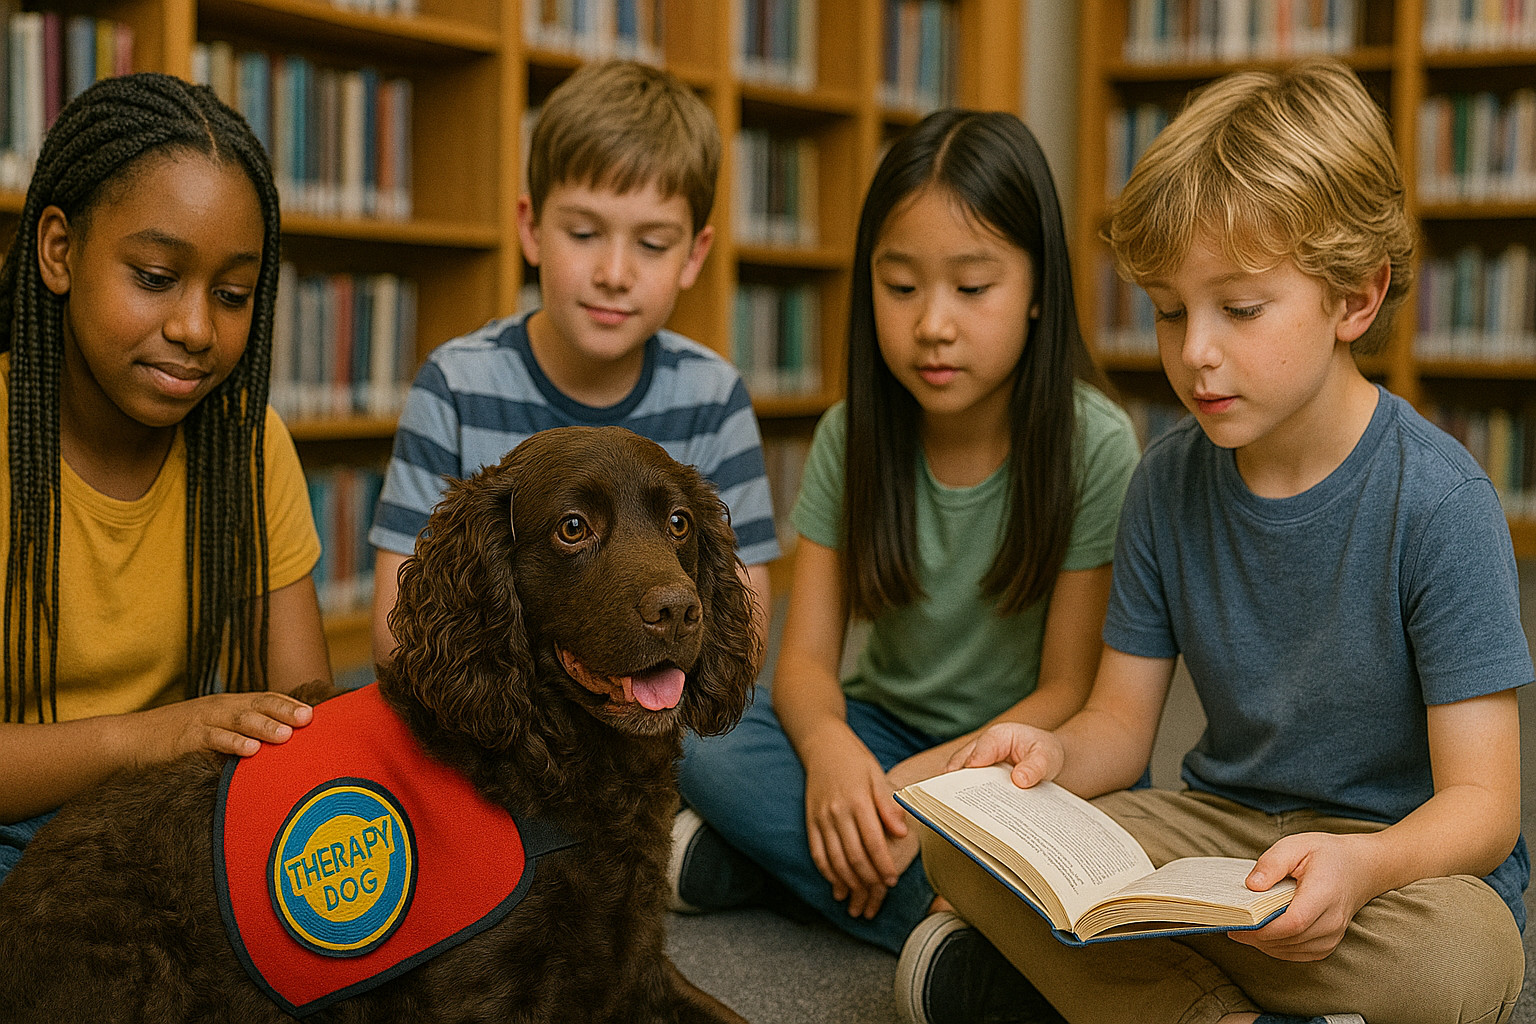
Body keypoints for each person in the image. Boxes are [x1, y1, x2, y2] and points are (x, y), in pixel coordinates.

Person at [905, 58, 1532, 1024]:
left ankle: (1114, 994)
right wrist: (1043, 760)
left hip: (1386, 861)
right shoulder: (1164, 480)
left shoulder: (1441, 502)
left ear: (1354, 301)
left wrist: (1363, 866)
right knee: (958, 839)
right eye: (1168, 311)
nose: (1195, 351)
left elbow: (1485, 809)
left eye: (1239, 310)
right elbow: (1120, 727)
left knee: (1468, 964)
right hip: (1215, 831)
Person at [671, 109, 1141, 963]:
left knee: (1109, 819)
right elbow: (806, 664)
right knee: (706, 734)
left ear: (1039, 288)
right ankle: (949, 924)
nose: (933, 324)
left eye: (972, 288)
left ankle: (771, 868)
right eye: (900, 287)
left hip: (1021, 753)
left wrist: (910, 789)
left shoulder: (1095, 444)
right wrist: (832, 753)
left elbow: (1071, 691)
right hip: (880, 728)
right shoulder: (852, 434)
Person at [0, 73, 333, 881]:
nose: (194, 328)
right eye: (154, 277)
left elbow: (306, 701)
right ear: (59, 251)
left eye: (232, 295)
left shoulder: (248, 447)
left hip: (164, 815)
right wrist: (156, 734)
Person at [368, 59, 779, 661]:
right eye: (584, 234)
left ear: (695, 255)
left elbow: (744, 623)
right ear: (531, 228)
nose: (614, 274)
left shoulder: (713, 395)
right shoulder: (456, 382)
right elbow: (394, 628)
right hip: (501, 709)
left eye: (653, 244)